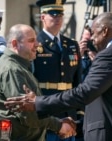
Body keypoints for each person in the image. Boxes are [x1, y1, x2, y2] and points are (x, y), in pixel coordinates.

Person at [4, 12, 112, 141]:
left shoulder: (110, 55)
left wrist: (38, 103)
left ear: (105, 31)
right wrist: (78, 125)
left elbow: (84, 92)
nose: (92, 39)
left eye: (94, 33)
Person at [0, 24, 76, 141]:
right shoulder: (12, 69)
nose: (37, 44)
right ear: (15, 44)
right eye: (31, 41)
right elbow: (27, 113)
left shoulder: (18, 65)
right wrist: (58, 125)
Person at [33, 0, 83, 141]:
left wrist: (79, 112)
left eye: (60, 14)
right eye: (53, 14)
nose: (58, 18)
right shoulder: (35, 43)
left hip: (69, 111)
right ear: (43, 17)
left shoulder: (71, 44)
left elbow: (77, 81)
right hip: (48, 111)